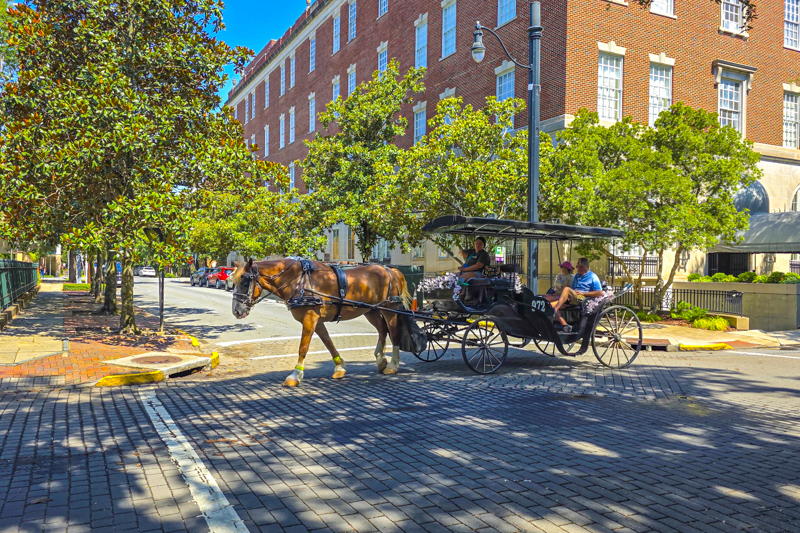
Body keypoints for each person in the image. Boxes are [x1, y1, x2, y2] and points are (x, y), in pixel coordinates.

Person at [551, 258, 604, 332]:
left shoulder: (592, 276)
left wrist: (583, 293)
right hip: (572, 296)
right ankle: (565, 325)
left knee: (566, 289)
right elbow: (572, 288)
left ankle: (555, 310)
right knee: (550, 304)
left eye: (577, 265)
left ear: (582, 266)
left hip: (583, 298)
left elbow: (599, 292)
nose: (576, 267)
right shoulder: (576, 276)